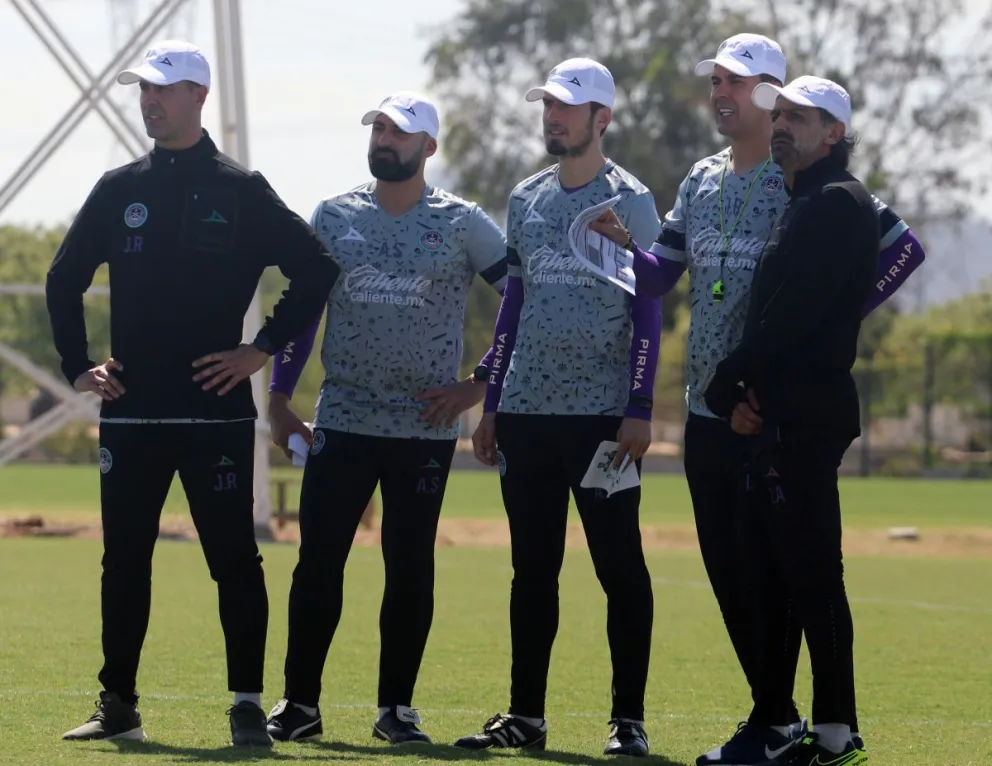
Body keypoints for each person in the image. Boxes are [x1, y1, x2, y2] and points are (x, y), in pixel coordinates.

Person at [589, 34, 923, 765]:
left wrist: (829, 329)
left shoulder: (804, 179)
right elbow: (661, 278)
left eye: (736, 82)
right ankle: (776, 715)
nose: (721, 93)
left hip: (772, 407)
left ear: (774, 94)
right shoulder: (702, 178)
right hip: (710, 407)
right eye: (716, 80)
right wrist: (620, 248)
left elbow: (901, 251)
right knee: (731, 575)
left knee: (787, 572)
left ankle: (788, 722)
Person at [47, 40, 340, 747]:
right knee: (124, 560)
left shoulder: (241, 189)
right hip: (132, 412)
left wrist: (259, 350)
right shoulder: (119, 188)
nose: (150, 100)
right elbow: (64, 278)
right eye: (144, 89)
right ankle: (118, 701)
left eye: (164, 89)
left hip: (214, 415)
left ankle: (246, 703)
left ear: (199, 96)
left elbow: (317, 268)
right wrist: (77, 367)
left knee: (234, 558)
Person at [263, 91, 508, 745]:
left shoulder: (462, 223)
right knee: (317, 563)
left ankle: (396, 710)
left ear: (428, 147)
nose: (384, 141)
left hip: (424, 430)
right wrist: (280, 394)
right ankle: (300, 705)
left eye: (399, 134)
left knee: (409, 567)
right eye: (378, 129)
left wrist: (479, 384)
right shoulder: (334, 215)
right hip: (341, 420)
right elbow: (304, 307)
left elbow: (522, 298)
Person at [453, 58, 662, 758]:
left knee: (619, 568)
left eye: (568, 107)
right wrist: (494, 401)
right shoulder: (526, 199)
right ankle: (526, 717)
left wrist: (638, 404)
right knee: (532, 571)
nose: (554, 117)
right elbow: (512, 301)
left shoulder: (630, 201)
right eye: (548, 105)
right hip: (529, 417)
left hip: (603, 420)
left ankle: (627, 722)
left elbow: (649, 308)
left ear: (603, 118)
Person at [702, 74, 875, 766]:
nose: (781, 126)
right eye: (779, 116)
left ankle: (833, 733)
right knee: (770, 577)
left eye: (799, 118)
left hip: (805, 420)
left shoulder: (835, 202)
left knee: (808, 575)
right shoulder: (799, 202)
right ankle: (774, 722)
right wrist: (749, 397)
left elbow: (795, 315)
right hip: (774, 418)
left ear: (832, 133)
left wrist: (729, 379)